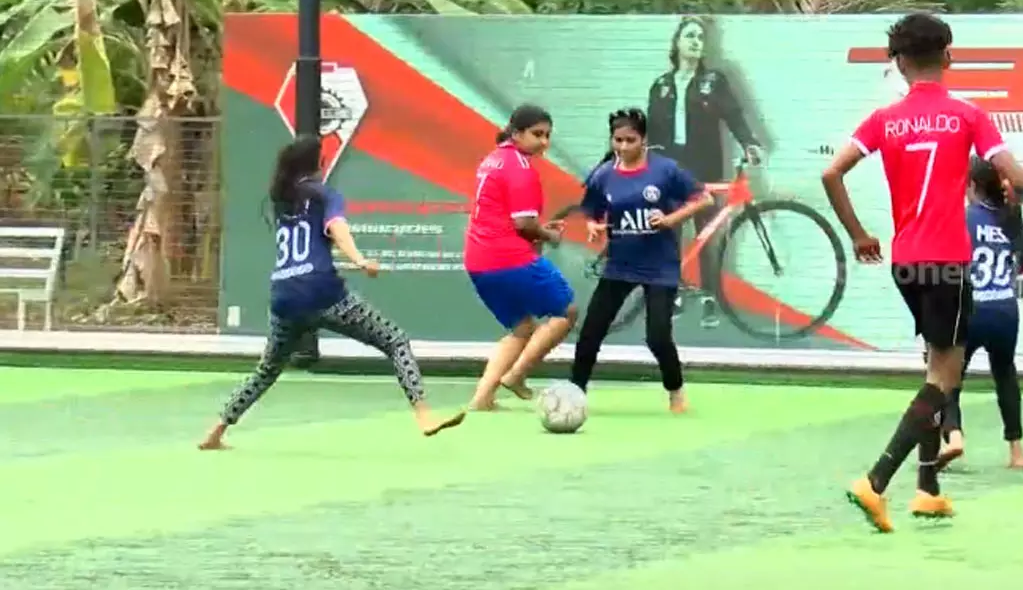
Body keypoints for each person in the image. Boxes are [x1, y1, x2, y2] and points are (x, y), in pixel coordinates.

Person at [819, 12, 1023, 533]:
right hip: (947, 261)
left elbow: (831, 172)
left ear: (899, 63)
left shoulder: (883, 120)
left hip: (906, 260)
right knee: (944, 377)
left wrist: (859, 235)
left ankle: (928, 490)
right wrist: (1014, 188)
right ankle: (876, 481)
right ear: (948, 57)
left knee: (934, 363)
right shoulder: (968, 115)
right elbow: (1016, 175)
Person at [198, 136, 465, 450]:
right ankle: (423, 414)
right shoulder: (325, 195)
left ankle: (215, 432)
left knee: (267, 369)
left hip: (283, 296)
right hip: (322, 292)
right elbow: (337, 227)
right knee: (395, 341)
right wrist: (360, 259)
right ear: (320, 164)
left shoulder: (283, 199)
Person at [571, 108, 713, 413]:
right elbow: (592, 210)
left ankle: (675, 391)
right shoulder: (604, 174)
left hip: (660, 266)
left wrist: (671, 219)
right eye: (617, 140)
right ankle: (575, 393)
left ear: (644, 139)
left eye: (630, 140)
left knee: (657, 337)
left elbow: (704, 198)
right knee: (591, 331)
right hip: (619, 265)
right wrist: (594, 226)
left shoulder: (665, 170)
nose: (623, 147)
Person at [646, 16, 763, 329]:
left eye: (700, 37)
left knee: (706, 232)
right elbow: (652, 130)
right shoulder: (661, 85)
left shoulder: (713, 81)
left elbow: (734, 115)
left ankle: (709, 296)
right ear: (677, 43)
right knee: (671, 231)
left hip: (704, 164)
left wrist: (749, 142)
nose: (696, 41)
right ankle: (674, 291)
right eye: (690, 36)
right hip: (670, 166)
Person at [465, 104, 578, 412]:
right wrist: (549, 235)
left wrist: (540, 229)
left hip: (478, 261)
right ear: (516, 133)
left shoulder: (492, 159)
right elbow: (524, 224)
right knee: (566, 312)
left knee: (521, 328)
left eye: (548, 135)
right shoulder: (520, 167)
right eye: (537, 134)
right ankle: (516, 375)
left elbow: (509, 217)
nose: (544, 142)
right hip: (509, 258)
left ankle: (481, 398)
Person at [938, 156, 1023, 470]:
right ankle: (1017, 452)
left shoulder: (961, 219)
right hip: (1005, 310)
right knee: (1005, 374)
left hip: (969, 309)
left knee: (946, 376)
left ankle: (953, 436)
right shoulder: (1013, 221)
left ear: (972, 185)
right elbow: (1020, 268)